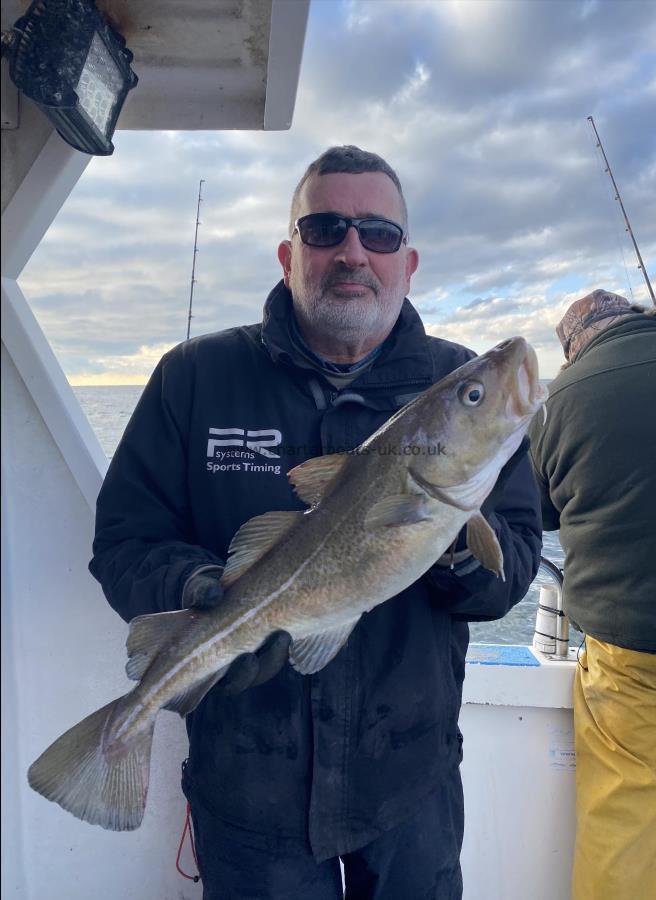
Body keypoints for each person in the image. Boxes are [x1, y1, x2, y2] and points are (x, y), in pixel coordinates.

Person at [90, 145, 542, 900]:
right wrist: (202, 588)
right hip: (245, 782)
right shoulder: (194, 378)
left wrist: (452, 554)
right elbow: (124, 543)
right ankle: (113, 742)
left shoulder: (454, 376)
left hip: (410, 778)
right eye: (326, 228)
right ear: (288, 252)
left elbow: (515, 564)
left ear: (408, 261)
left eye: (379, 234)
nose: (352, 251)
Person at [528, 289, 656, 900]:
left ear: (571, 348)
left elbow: (537, 514)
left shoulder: (558, 399)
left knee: (621, 825)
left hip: (626, 649)